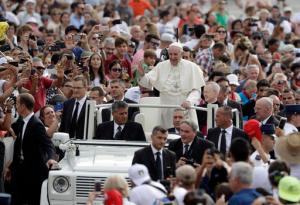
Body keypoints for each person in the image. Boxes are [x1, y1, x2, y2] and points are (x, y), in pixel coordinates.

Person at [137, 42, 205, 129]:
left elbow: (196, 90)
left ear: (181, 54)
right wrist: (142, 75)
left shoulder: (192, 67)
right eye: (170, 54)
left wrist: (189, 101)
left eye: (175, 54)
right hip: (166, 109)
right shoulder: (161, 66)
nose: (172, 57)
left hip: (184, 109)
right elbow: (147, 82)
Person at [8, 93, 56, 205]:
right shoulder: (21, 122)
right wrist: (10, 167)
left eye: (17, 104)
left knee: (33, 200)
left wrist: (50, 158)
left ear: (23, 106)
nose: (16, 106)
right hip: (19, 170)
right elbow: (19, 147)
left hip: (33, 173)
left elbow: (48, 144)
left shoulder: (36, 124)